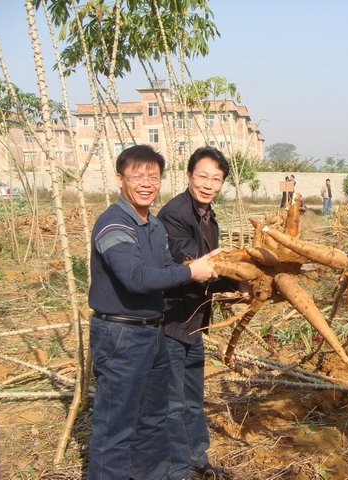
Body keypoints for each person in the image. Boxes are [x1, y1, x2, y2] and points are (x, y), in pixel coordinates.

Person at [87, 145, 217, 480]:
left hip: (153, 330)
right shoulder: (113, 224)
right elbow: (136, 278)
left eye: (153, 177)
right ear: (120, 179)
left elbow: (167, 271)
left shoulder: (154, 225)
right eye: (137, 176)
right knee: (115, 427)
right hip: (120, 335)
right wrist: (192, 272)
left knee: (154, 420)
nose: (146, 183)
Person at [157, 146, 236, 480]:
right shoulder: (175, 214)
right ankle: (178, 468)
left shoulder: (207, 215)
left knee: (192, 395)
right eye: (202, 176)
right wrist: (236, 275)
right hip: (172, 321)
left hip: (194, 320)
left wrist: (237, 287)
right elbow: (191, 265)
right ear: (188, 175)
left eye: (216, 179)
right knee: (174, 401)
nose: (208, 184)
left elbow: (209, 273)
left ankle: (197, 460)